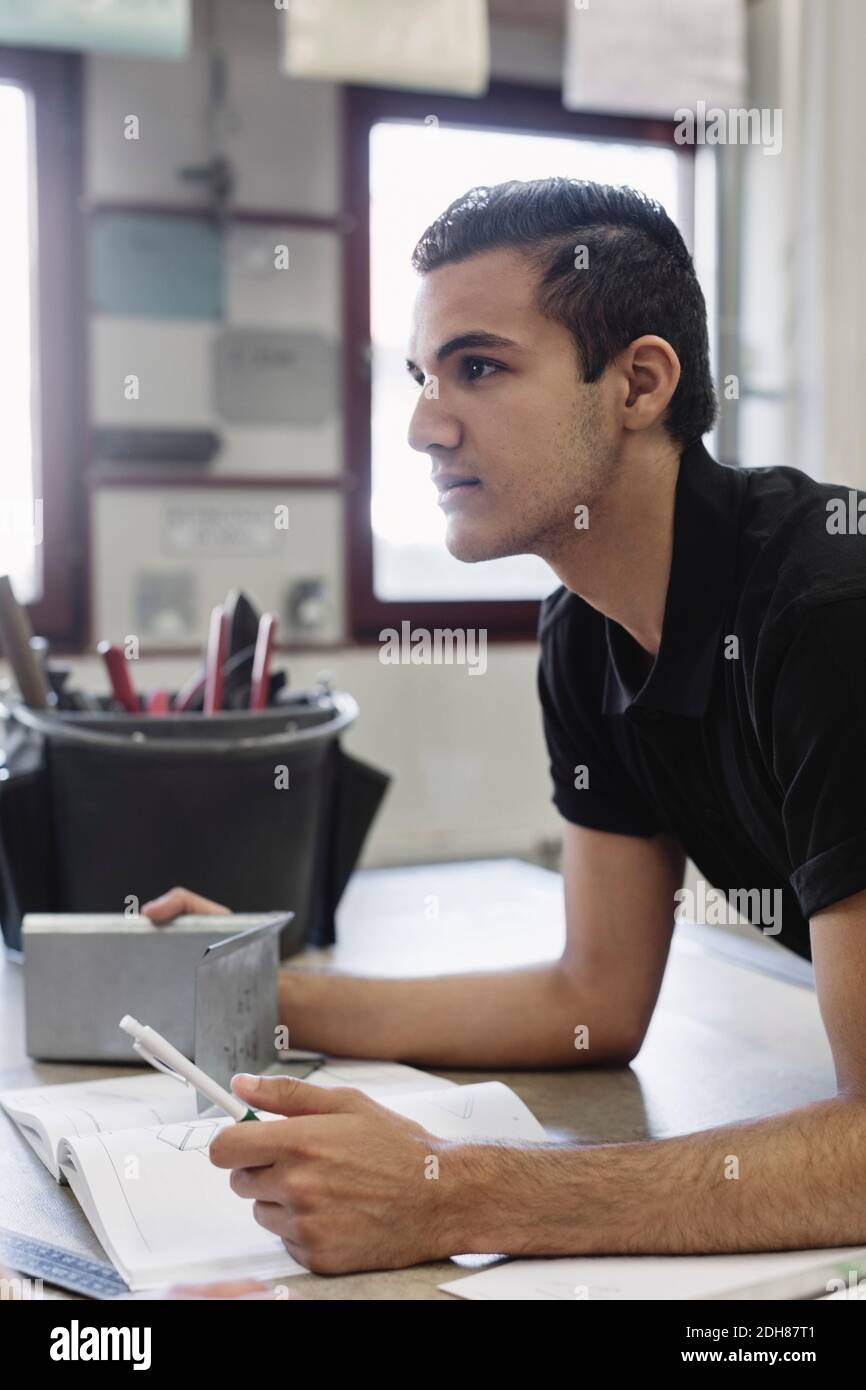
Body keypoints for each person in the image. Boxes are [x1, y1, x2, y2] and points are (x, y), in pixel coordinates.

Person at [143, 178, 866, 1274]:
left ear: (637, 381)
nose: (424, 425)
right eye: (421, 377)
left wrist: (454, 1195)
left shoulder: (827, 618)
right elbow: (593, 998)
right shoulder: (584, 630)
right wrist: (265, 994)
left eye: (477, 369)